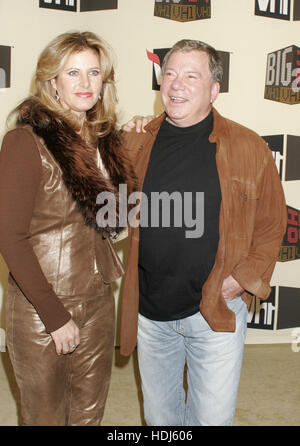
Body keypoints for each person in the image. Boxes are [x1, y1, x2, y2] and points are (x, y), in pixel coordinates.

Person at [119, 39, 287, 426]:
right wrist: (123, 135)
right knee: (161, 420)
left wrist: (241, 280)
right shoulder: (137, 139)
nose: (176, 84)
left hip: (215, 310)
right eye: (171, 74)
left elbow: (272, 223)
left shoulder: (248, 146)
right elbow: (107, 205)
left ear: (214, 90)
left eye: (191, 76)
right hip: (151, 312)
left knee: (210, 420)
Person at [0, 31, 136, 426]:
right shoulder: (25, 142)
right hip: (42, 307)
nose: (84, 83)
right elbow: (10, 236)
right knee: (45, 418)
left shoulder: (107, 142)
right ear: (51, 81)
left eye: (94, 72)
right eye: (72, 72)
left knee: (89, 416)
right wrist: (55, 316)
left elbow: (112, 217)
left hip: (97, 300)